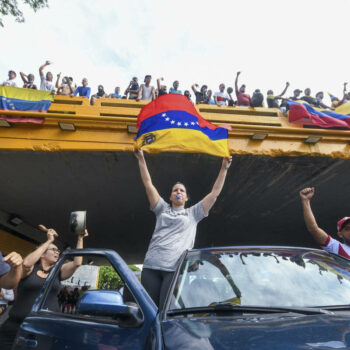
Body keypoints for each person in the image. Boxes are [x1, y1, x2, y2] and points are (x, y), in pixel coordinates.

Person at [134, 148, 232, 308]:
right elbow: (148, 184)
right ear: (171, 196)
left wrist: (224, 168)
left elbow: (214, 194)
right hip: (151, 266)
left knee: (166, 311)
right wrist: (141, 159)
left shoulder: (193, 213)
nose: (178, 192)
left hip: (174, 269)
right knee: (148, 311)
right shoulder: (161, 208)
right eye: (175, 190)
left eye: (181, 190)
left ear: (186, 197)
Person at [0, 225, 88, 349]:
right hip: (17, 326)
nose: (57, 252)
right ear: (42, 253)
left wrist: (80, 238)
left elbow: (77, 263)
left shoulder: (58, 271)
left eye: (58, 251)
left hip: (44, 328)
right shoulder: (30, 270)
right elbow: (25, 263)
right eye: (54, 250)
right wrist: (49, 241)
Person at [300, 187, 350, 258]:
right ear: (340, 234)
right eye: (347, 229)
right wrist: (305, 201)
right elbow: (313, 229)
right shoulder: (336, 247)